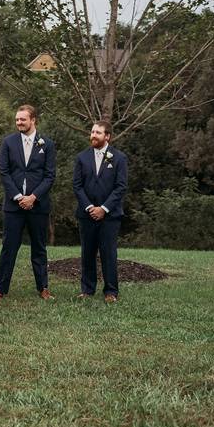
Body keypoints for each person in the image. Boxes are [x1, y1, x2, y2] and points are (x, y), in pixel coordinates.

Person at [0, 105, 57, 301]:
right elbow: (4, 172)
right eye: (17, 119)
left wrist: (33, 197)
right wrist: (19, 197)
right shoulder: (8, 143)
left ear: (33, 120)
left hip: (38, 205)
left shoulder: (47, 144)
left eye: (23, 119)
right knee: (8, 247)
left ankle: (43, 288)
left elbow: (49, 175)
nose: (19, 122)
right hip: (14, 206)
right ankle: (0, 289)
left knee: (39, 248)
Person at [72, 120, 128, 303]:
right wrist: (89, 207)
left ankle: (111, 292)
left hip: (110, 216)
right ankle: (87, 289)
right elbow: (77, 186)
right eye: (92, 132)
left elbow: (121, 187)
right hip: (86, 214)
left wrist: (103, 209)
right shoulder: (82, 157)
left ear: (107, 136)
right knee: (87, 252)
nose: (93, 135)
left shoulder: (119, 158)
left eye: (98, 132)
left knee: (108, 253)